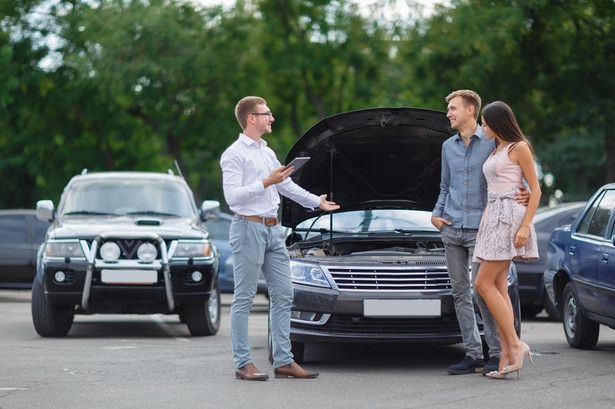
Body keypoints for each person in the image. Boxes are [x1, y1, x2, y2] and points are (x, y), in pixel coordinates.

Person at [220, 96, 339, 381]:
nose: (271, 118)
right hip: (248, 228)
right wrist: (266, 182)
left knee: (285, 294)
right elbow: (233, 199)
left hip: (274, 230)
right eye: (266, 114)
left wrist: (316, 202)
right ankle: (243, 363)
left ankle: (284, 361)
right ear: (251, 118)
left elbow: (285, 185)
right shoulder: (234, 154)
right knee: (245, 298)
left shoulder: (266, 151)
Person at [431, 90, 529, 376]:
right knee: (460, 293)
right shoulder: (447, 146)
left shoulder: (491, 141)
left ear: (470, 110)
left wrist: (526, 193)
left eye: (452, 108)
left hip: (483, 229)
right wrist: (436, 215)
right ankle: (473, 353)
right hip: (451, 228)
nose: (448, 113)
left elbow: (513, 173)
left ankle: (497, 351)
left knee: (481, 292)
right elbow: (444, 187)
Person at [473, 101, 540, 379]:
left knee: (482, 283)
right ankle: (505, 358)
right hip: (491, 217)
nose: (482, 127)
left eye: (486, 123)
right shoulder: (495, 148)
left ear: (499, 123)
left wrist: (525, 226)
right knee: (498, 286)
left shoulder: (518, 147)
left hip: (509, 217)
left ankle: (516, 344)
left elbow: (535, 191)